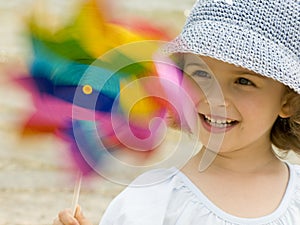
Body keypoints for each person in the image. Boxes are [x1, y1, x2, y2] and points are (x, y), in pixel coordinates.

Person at [53, 0, 300, 224]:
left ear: (287, 101)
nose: (215, 98)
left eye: (244, 81)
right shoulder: (151, 201)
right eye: (202, 74)